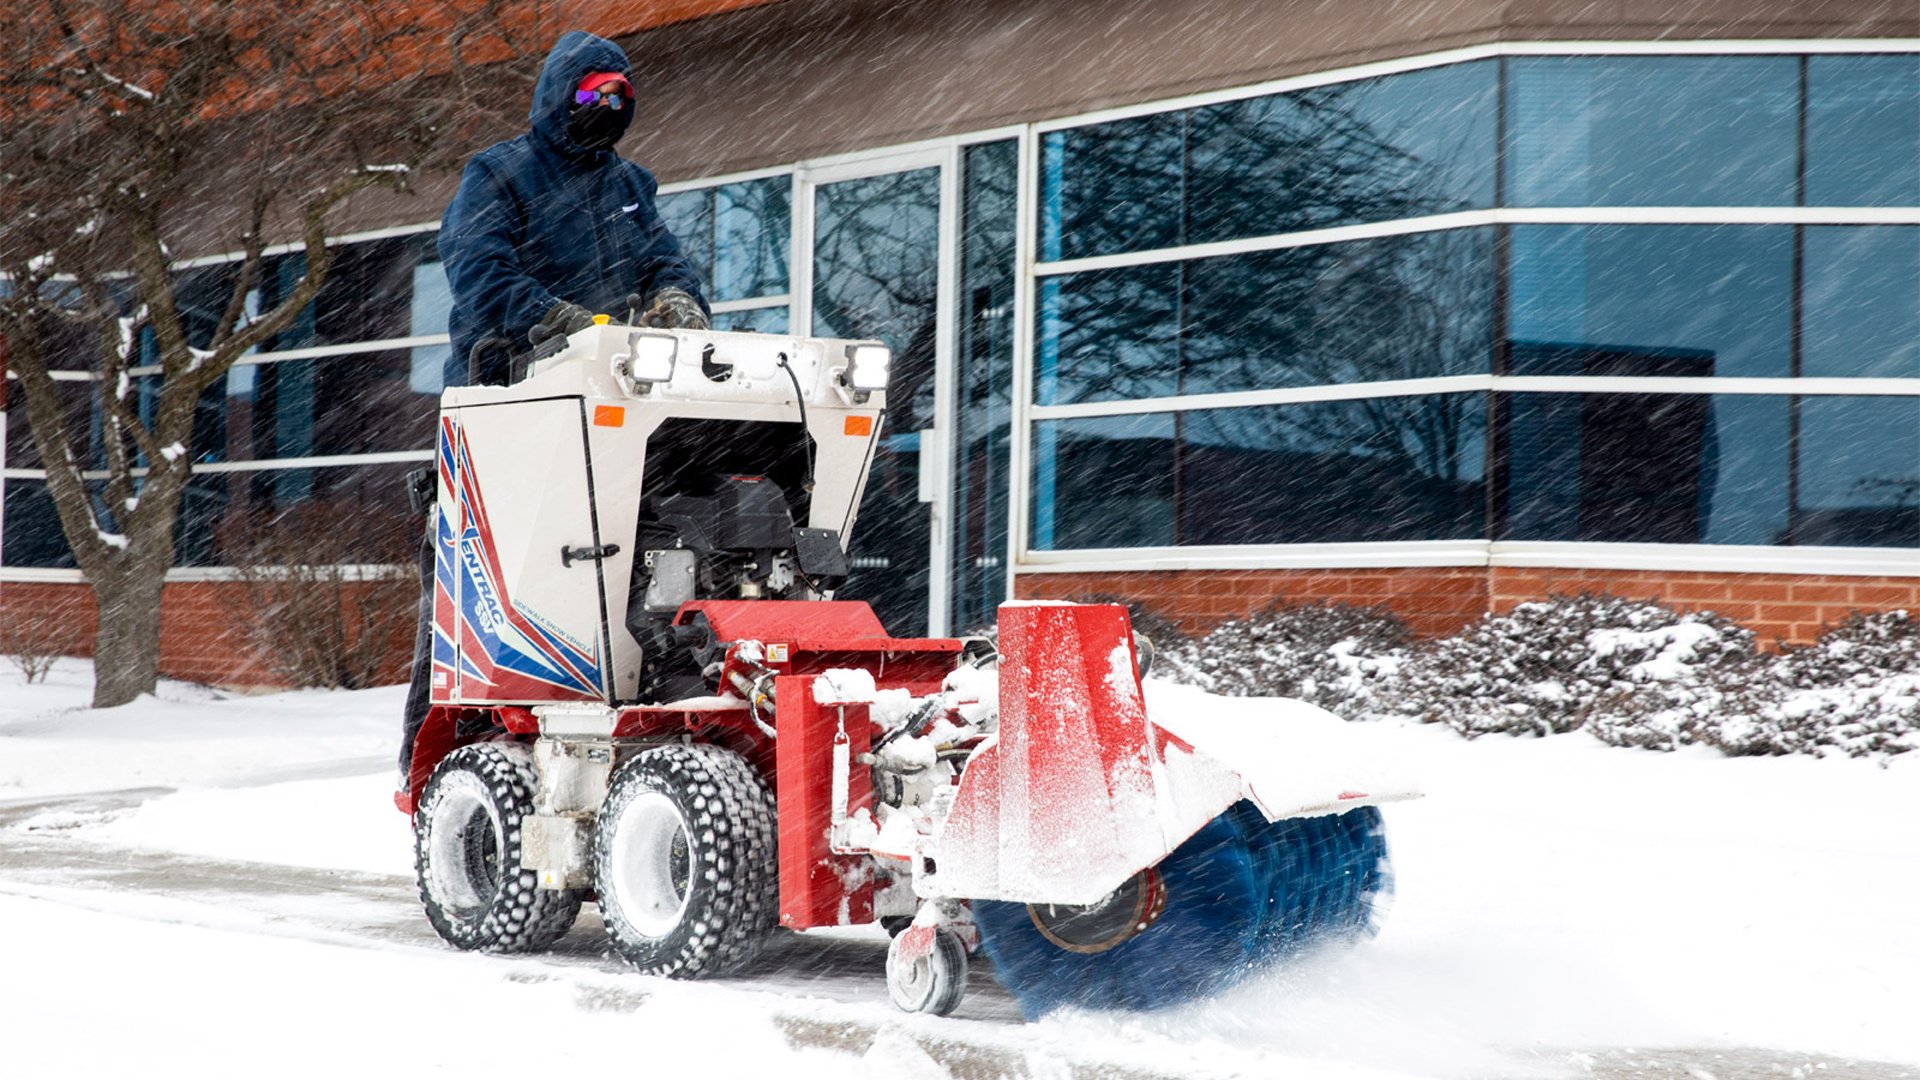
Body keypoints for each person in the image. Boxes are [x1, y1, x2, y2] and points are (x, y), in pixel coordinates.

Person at [399, 30, 711, 792]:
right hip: (509, 403)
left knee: (636, 563)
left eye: (618, 98)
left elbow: (666, 259)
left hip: (609, 410)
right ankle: (428, 760)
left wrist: (678, 297)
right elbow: (479, 272)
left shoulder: (630, 184)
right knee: (470, 598)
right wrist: (557, 321)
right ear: (557, 95)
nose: (604, 109)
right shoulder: (500, 174)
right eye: (591, 94)